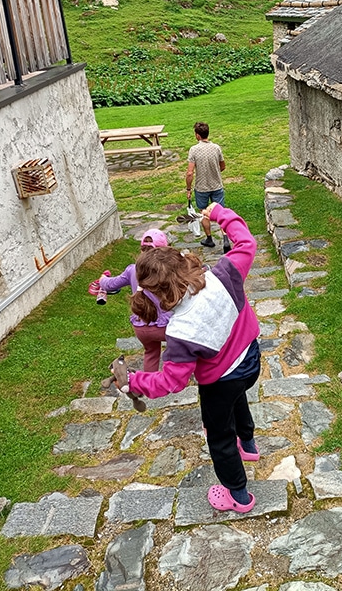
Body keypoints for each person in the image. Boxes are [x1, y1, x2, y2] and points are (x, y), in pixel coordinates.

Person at [110, 203, 261, 514]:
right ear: (181, 261)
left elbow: (172, 381)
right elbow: (247, 242)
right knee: (239, 399)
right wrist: (219, 213)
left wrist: (136, 380)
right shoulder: (224, 275)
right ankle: (248, 445)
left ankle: (238, 495)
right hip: (250, 361)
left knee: (219, 436)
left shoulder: (179, 331)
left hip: (220, 382)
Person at [96, 229, 172, 372]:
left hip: (141, 327)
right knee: (180, 348)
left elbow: (110, 284)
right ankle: (174, 380)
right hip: (166, 327)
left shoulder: (132, 270)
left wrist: (102, 280)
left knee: (151, 353)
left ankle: (150, 387)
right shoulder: (168, 269)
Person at [184, 122, 230, 252]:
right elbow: (223, 166)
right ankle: (226, 238)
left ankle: (209, 239)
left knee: (204, 212)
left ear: (197, 135)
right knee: (221, 213)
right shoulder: (216, 148)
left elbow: (189, 172)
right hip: (217, 185)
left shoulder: (194, 150)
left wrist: (188, 189)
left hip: (202, 188)